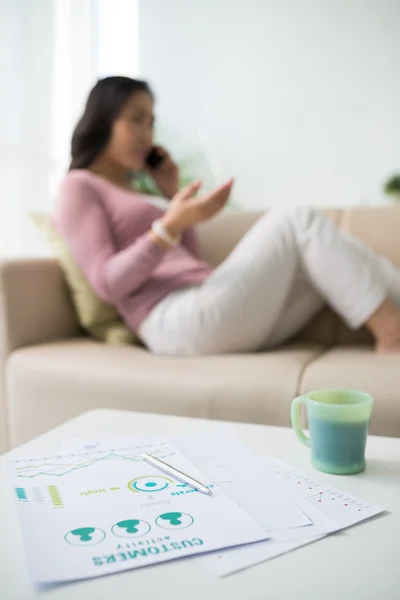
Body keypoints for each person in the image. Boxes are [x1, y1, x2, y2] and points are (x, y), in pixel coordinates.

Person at [55, 76, 400, 356]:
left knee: (337, 252)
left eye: (151, 123)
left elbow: (189, 260)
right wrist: (167, 226)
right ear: (102, 118)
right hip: (171, 320)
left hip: (209, 306)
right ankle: (391, 332)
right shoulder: (79, 186)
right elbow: (106, 283)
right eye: (136, 119)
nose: (147, 135)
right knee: (297, 218)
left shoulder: (139, 190)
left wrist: (171, 195)